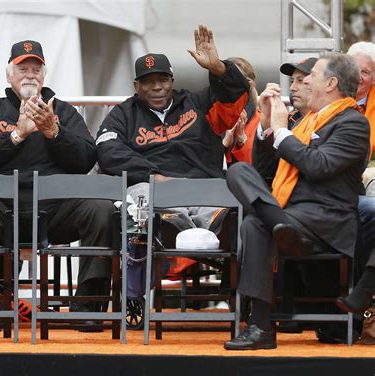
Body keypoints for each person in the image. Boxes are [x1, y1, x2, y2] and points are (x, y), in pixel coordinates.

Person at [0, 40, 115, 332]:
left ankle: (87, 302)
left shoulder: (65, 112)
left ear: (44, 76)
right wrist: (16, 135)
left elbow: (85, 159)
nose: (30, 75)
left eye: (36, 69)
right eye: (23, 69)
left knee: (102, 208)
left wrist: (54, 133)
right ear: (9, 75)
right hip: (3, 208)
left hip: (55, 209)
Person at [223, 52, 370, 350]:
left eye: (311, 76)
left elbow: (318, 166)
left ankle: (260, 327)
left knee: (254, 224)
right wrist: (266, 128)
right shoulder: (303, 123)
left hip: (325, 221)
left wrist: (280, 133)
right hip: (290, 217)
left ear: (330, 83)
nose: (304, 83)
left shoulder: (353, 123)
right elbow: (264, 171)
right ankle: (278, 225)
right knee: (239, 171)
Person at [96, 25, 249, 232]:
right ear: (136, 86)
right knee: (141, 195)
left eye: (162, 80)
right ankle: (172, 226)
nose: (157, 87)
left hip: (200, 186)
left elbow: (236, 95)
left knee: (219, 202)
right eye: (148, 82)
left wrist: (218, 68)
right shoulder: (123, 114)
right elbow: (108, 151)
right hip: (152, 188)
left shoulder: (197, 103)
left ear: (172, 81)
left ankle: (194, 232)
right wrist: (154, 176)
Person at [336, 42, 375, 316]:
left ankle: (364, 295)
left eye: (367, 72)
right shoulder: (326, 98)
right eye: (355, 70)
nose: (360, 78)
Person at [222, 57, 260, 165]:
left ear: (250, 85)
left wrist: (242, 141)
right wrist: (224, 144)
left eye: (232, 81)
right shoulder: (209, 117)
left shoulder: (262, 122)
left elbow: (261, 170)